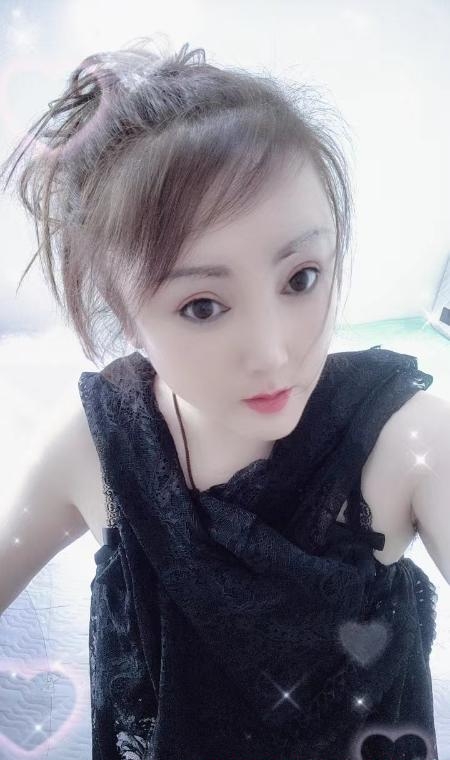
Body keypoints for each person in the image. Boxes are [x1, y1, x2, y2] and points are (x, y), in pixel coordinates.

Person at [0, 36, 440, 760]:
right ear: (123, 312)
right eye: (202, 306)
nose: (273, 353)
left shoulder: (409, 441)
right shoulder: (93, 448)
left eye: (301, 278)